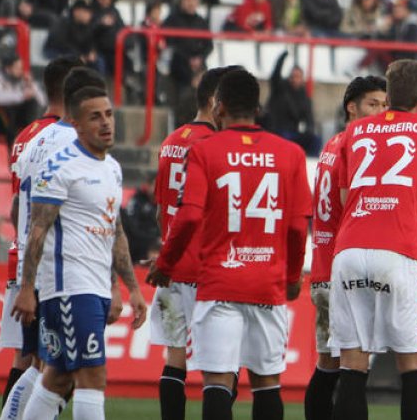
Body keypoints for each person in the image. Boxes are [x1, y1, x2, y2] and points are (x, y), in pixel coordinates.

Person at [149, 68, 310, 420]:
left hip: (219, 281)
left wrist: (165, 262)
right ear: (259, 108)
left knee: (217, 380)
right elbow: (299, 227)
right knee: (267, 381)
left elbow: (187, 216)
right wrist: (294, 277)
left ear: (219, 107)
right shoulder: (291, 154)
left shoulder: (206, 150)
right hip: (267, 283)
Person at [11, 85, 147, 420]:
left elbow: (114, 231)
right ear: (76, 124)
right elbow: (37, 230)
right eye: (95, 117)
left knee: (56, 378)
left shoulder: (112, 168)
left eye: (109, 114)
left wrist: (131, 288)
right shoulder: (60, 167)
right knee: (92, 378)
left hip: (95, 286)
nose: (106, 123)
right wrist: (28, 289)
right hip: (69, 288)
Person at [329, 59, 417, 420]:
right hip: (397, 252)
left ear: (390, 94)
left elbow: (342, 198)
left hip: (348, 250)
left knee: (352, 362)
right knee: (412, 362)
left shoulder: (355, 131)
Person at [0, 65, 108, 420]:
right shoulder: (70, 143)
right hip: (59, 271)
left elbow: (19, 204)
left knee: (43, 364)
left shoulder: (31, 138)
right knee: (66, 371)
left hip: (33, 262)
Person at [143, 66, 227, 420]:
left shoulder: (170, 141)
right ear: (214, 102)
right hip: (206, 265)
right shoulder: (215, 145)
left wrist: (167, 251)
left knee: (174, 358)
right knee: (221, 365)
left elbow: (162, 209)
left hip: (172, 262)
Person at [302, 75, 387, 420]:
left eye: (385, 105)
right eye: (373, 104)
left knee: (330, 363)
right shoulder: (357, 145)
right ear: (351, 107)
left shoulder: (333, 143)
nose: (381, 112)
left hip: (326, 263)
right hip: (342, 269)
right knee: (351, 365)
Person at [259, 51, 320, 155]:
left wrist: (309, 130)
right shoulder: (280, 88)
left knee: (315, 140)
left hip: (292, 133)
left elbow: (309, 119)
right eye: (293, 76)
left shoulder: (305, 97)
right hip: (275, 130)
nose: (295, 79)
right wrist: (282, 58)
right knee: (284, 139)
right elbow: (275, 75)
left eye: (298, 77)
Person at [0, 55, 45, 142]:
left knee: (32, 103)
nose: (21, 71)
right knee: (8, 109)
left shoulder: (23, 81)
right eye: (17, 68)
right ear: (8, 69)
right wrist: (22, 96)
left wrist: (31, 84)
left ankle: (30, 134)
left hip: (19, 118)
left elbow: (42, 102)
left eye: (21, 68)